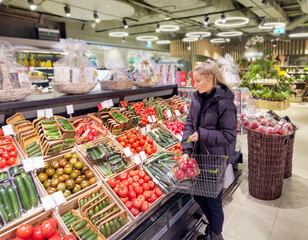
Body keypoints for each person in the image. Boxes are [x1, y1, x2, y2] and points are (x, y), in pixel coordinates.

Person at [181, 60, 237, 240]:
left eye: (198, 80)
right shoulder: (196, 97)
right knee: (198, 195)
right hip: (198, 158)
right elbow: (190, 123)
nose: (194, 84)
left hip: (215, 159)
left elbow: (229, 135)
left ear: (210, 78)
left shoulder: (224, 102)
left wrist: (202, 134)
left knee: (213, 201)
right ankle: (213, 229)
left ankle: (215, 235)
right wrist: (186, 149)